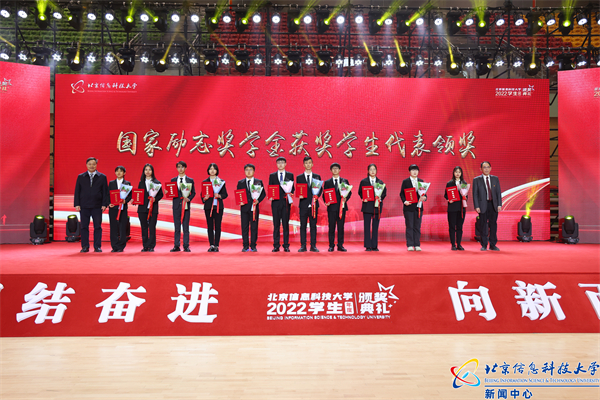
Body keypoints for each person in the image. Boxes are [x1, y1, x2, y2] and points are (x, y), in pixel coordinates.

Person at [74, 157, 109, 253]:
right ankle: (85, 246)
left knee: (97, 227)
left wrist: (104, 204)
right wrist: (77, 204)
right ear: (86, 165)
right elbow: (77, 191)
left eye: (93, 164)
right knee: (84, 227)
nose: (91, 166)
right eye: (89, 164)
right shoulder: (81, 177)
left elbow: (105, 192)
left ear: (96, 165)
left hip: (97, 206)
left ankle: (97, 246)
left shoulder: (102, 177)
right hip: (84, 206)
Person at [473, 161, 502, 251]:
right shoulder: (476, 180)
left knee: (493, 225)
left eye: (488, 167)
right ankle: (484, 245)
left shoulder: (495, 179)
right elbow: (475, 194)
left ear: (490, 168)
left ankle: (493, 244)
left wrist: (499, 204)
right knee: (483, 225)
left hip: (493, 205)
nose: (486, 169)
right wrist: (476, 206)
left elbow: (498, 193)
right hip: (482, 205)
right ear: (481, 169)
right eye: (484, 167)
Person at [236, 164, 266, 252]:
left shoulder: (258, 182)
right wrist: (240, 201)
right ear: (244, 171)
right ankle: (245, 245)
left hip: (254, 208)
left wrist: (258, 200)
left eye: (250, 170)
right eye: (247, 170)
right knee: (244, 227)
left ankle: (253, 245)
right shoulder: (240, 182)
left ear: (254, 171)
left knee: (254, 227)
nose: (248, 172)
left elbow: (263, 194)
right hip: (244, 208)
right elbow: (239, 194)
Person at [323, 162, 352, 252]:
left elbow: (349, 192)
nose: (335, 170)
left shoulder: (344, 181)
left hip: (341, 208)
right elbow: (324, 194)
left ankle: (340, 245)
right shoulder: (327, 182)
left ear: (339, 170)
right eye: (333, 168)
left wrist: (346, 198)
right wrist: (326, 201)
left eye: (336, 168)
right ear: (331, 170)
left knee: (341, 227)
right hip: (331, 208)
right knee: (331, 227)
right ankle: (331, 245)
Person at [358, 164, 387, 252]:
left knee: (375, 227)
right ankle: (368, 245)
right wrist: (363, 198)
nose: (372, 171)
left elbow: (384, 193)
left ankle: (374, 245)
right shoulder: (364, 181)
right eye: (370, 169)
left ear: (376, 171)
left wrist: (379, 198)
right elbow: (360, 192)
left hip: (376, 207)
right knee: (367, 227)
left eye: (374, 169)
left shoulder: (380, 182)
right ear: (368, 171)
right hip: (367, 206)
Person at [296, 156, 322, 252]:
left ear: (312, 164)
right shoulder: (299, 177)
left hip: (314, 205)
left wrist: (317, 196)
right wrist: (299, 195)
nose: (308, 164)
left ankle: (313, 246)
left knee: (313, 226)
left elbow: (320, 189)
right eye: (306, 163)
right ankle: (303, 245)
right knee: (303, 226)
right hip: (303, 205)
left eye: (309, 163)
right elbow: (298, 189)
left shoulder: (317, 177)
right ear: (303, 165)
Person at [268, 156, 294, 252]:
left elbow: (293, 188)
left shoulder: (290, 175)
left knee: (285, 225)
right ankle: (276, 245)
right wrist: (270, 196)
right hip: (275, 203)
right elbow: (270, 187)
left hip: (286, 203)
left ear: (285, 164)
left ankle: (286, 245)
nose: (280, 164)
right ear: (276, 164)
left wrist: (290, 193)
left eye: (282, 162)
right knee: (276, 225)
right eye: (279, 163)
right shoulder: (272, 176)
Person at [399, 164, 427, 251]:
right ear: (409, 171)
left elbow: (424, 193)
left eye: (416, 170)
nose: (415, 172)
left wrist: (424, 198)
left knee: (417, 226)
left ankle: (417, 244)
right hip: (408, 207)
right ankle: (410, 244)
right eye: (413, 170)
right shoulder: (405, 181)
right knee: (409, 226)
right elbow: (402, 194)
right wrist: (405, 201)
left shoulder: (421, 181)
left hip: (418, 207)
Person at [170, 161, 196, 253]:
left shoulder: (190, 180)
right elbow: (172, 192)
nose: (180, 169)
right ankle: (176, 246)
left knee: (186, 227)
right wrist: (168, 192)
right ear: (177, 168)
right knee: (177, 227)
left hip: (186, 206)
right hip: (176, 206)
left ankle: (186, 246)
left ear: (185, 168)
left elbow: (193, 192)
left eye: (182, 167)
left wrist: (189, 199)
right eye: (178, 167)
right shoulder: (173, 180)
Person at [137, 163, 163, 252]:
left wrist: (155, 199)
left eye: (149, 170)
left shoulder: (157, 183)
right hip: (142, 209)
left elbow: (161, 195)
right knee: (144, 227)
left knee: (152, 227)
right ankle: (145, 246)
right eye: (146, 170)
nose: (148, 171)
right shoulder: (141, 183)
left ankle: (151, 246)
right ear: (143, 171)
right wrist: (135, 200)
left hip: (153, 208)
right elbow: (138, 195)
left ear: (152, 171)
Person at [202, 163, 228, 252]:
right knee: (210, 226)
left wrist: (219, 195)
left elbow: (225, 194)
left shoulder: (221, 181)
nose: (212, 170)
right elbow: (202, 195)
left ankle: (216, 245)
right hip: (208, 207)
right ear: (208, 171)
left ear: (217, 170)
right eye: (210, 169)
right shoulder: (205, 182)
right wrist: (204, 198)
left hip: (218, 207)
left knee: (217, 226)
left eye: (214, 169)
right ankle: (211, 245)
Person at [108, 166, 132, 252]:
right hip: (113, 208)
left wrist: (125, 201)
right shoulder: (111, 183)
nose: (119, 173)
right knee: (113, 227)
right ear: (115, 172)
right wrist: (109, 203)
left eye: (121, 171)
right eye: (117, 171)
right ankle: (114, 246)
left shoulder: (127, 183)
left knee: (122, 227)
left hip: (123, 209)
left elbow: (130, 196)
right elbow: (107, 194)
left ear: (124, 173)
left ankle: (121, 246)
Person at [444, 166, 468, 251]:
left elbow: (466, 195)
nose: (457, 173)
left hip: (461, 208)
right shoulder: (450, 183)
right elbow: (446, 195)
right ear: (453, 173)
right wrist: (448, 199)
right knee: (452, 226)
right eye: (456, 172)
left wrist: (465, 197)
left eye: (459, 172)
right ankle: (453, 244)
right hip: (452, 208)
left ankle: (459, 244)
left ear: (461, 173)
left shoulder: (464, 183)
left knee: (459, 227)